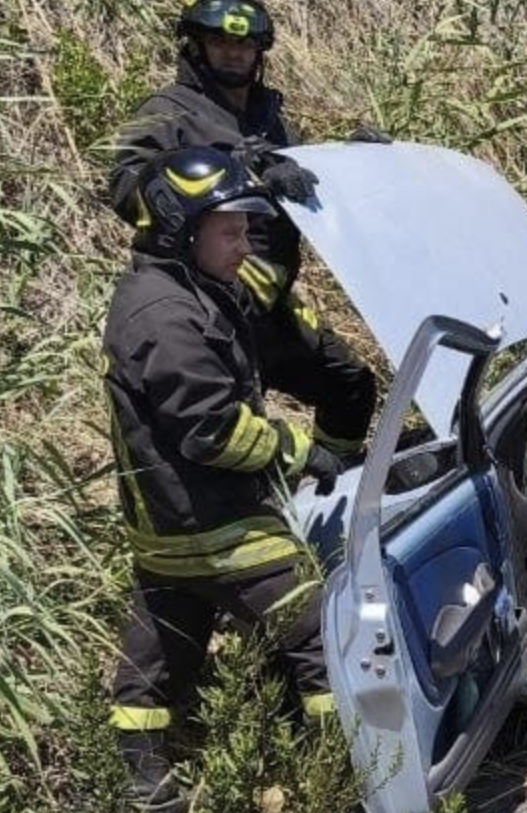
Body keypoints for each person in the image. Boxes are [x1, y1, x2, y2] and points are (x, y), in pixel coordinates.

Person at [104, 148, 351, 812]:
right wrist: (301, 451)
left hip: (171, 531)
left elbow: (265, 287)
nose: (245, 245)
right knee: (322, 641)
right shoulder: (165, 318)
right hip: (220, 530)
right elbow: (212, 430)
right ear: (184, 229)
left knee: (152, 676)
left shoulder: (181, 288)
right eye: (233, 232)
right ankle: (342, 785)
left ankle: (148, 796)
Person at [107, 0, 378, 464]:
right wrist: (230, 172)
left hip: (270, 303)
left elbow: (297, 176)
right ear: (195, 46)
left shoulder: (268, 114)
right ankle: (277, 498)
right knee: (232, 420)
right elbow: (126, 188)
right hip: (206, 302)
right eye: (221, 42)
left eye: (246, 44)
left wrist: (352, 160)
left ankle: (339, 487)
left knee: (350, 384)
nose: (235, 54)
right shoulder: (166, 113)